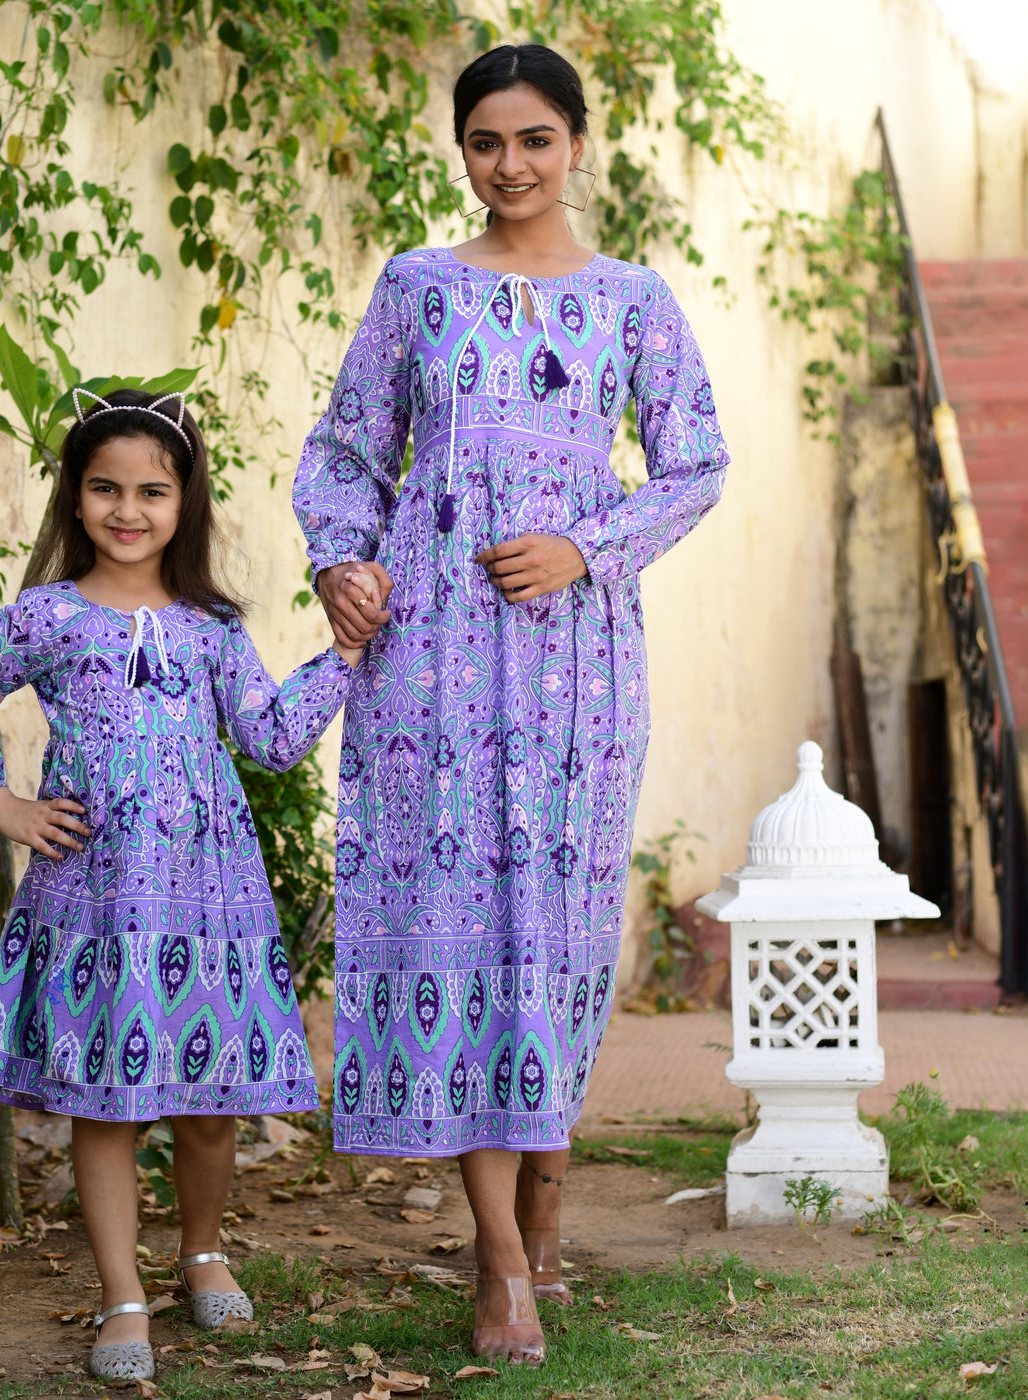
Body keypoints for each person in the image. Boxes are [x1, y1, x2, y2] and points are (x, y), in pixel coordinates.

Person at [294, 43, 729, 1365]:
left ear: (578, 145)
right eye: (487, 141)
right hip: (428, 664)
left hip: (577, 668)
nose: (510, 164)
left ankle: (546, 1178)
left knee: (560, 936)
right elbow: (347, 451)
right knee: (453, 933)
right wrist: (340, 563)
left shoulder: (634, 302)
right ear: (462, 152)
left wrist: (587, 547)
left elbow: (696, 462)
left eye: (536, 139)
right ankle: (498, 1260)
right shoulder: (419, 287)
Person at [0, 388, 365, 1382]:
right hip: (97, 900)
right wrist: (7, 807)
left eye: (151, 490)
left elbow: (271, 735)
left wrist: (341, 659)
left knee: (209, 1105)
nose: (129, 508)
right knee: (110, 1107)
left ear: (182, 499)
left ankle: (202, 1249)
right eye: (105, 488)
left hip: (210, 897)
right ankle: (122, 1293)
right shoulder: (44, 617)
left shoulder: (209, 627)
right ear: (74, 499)